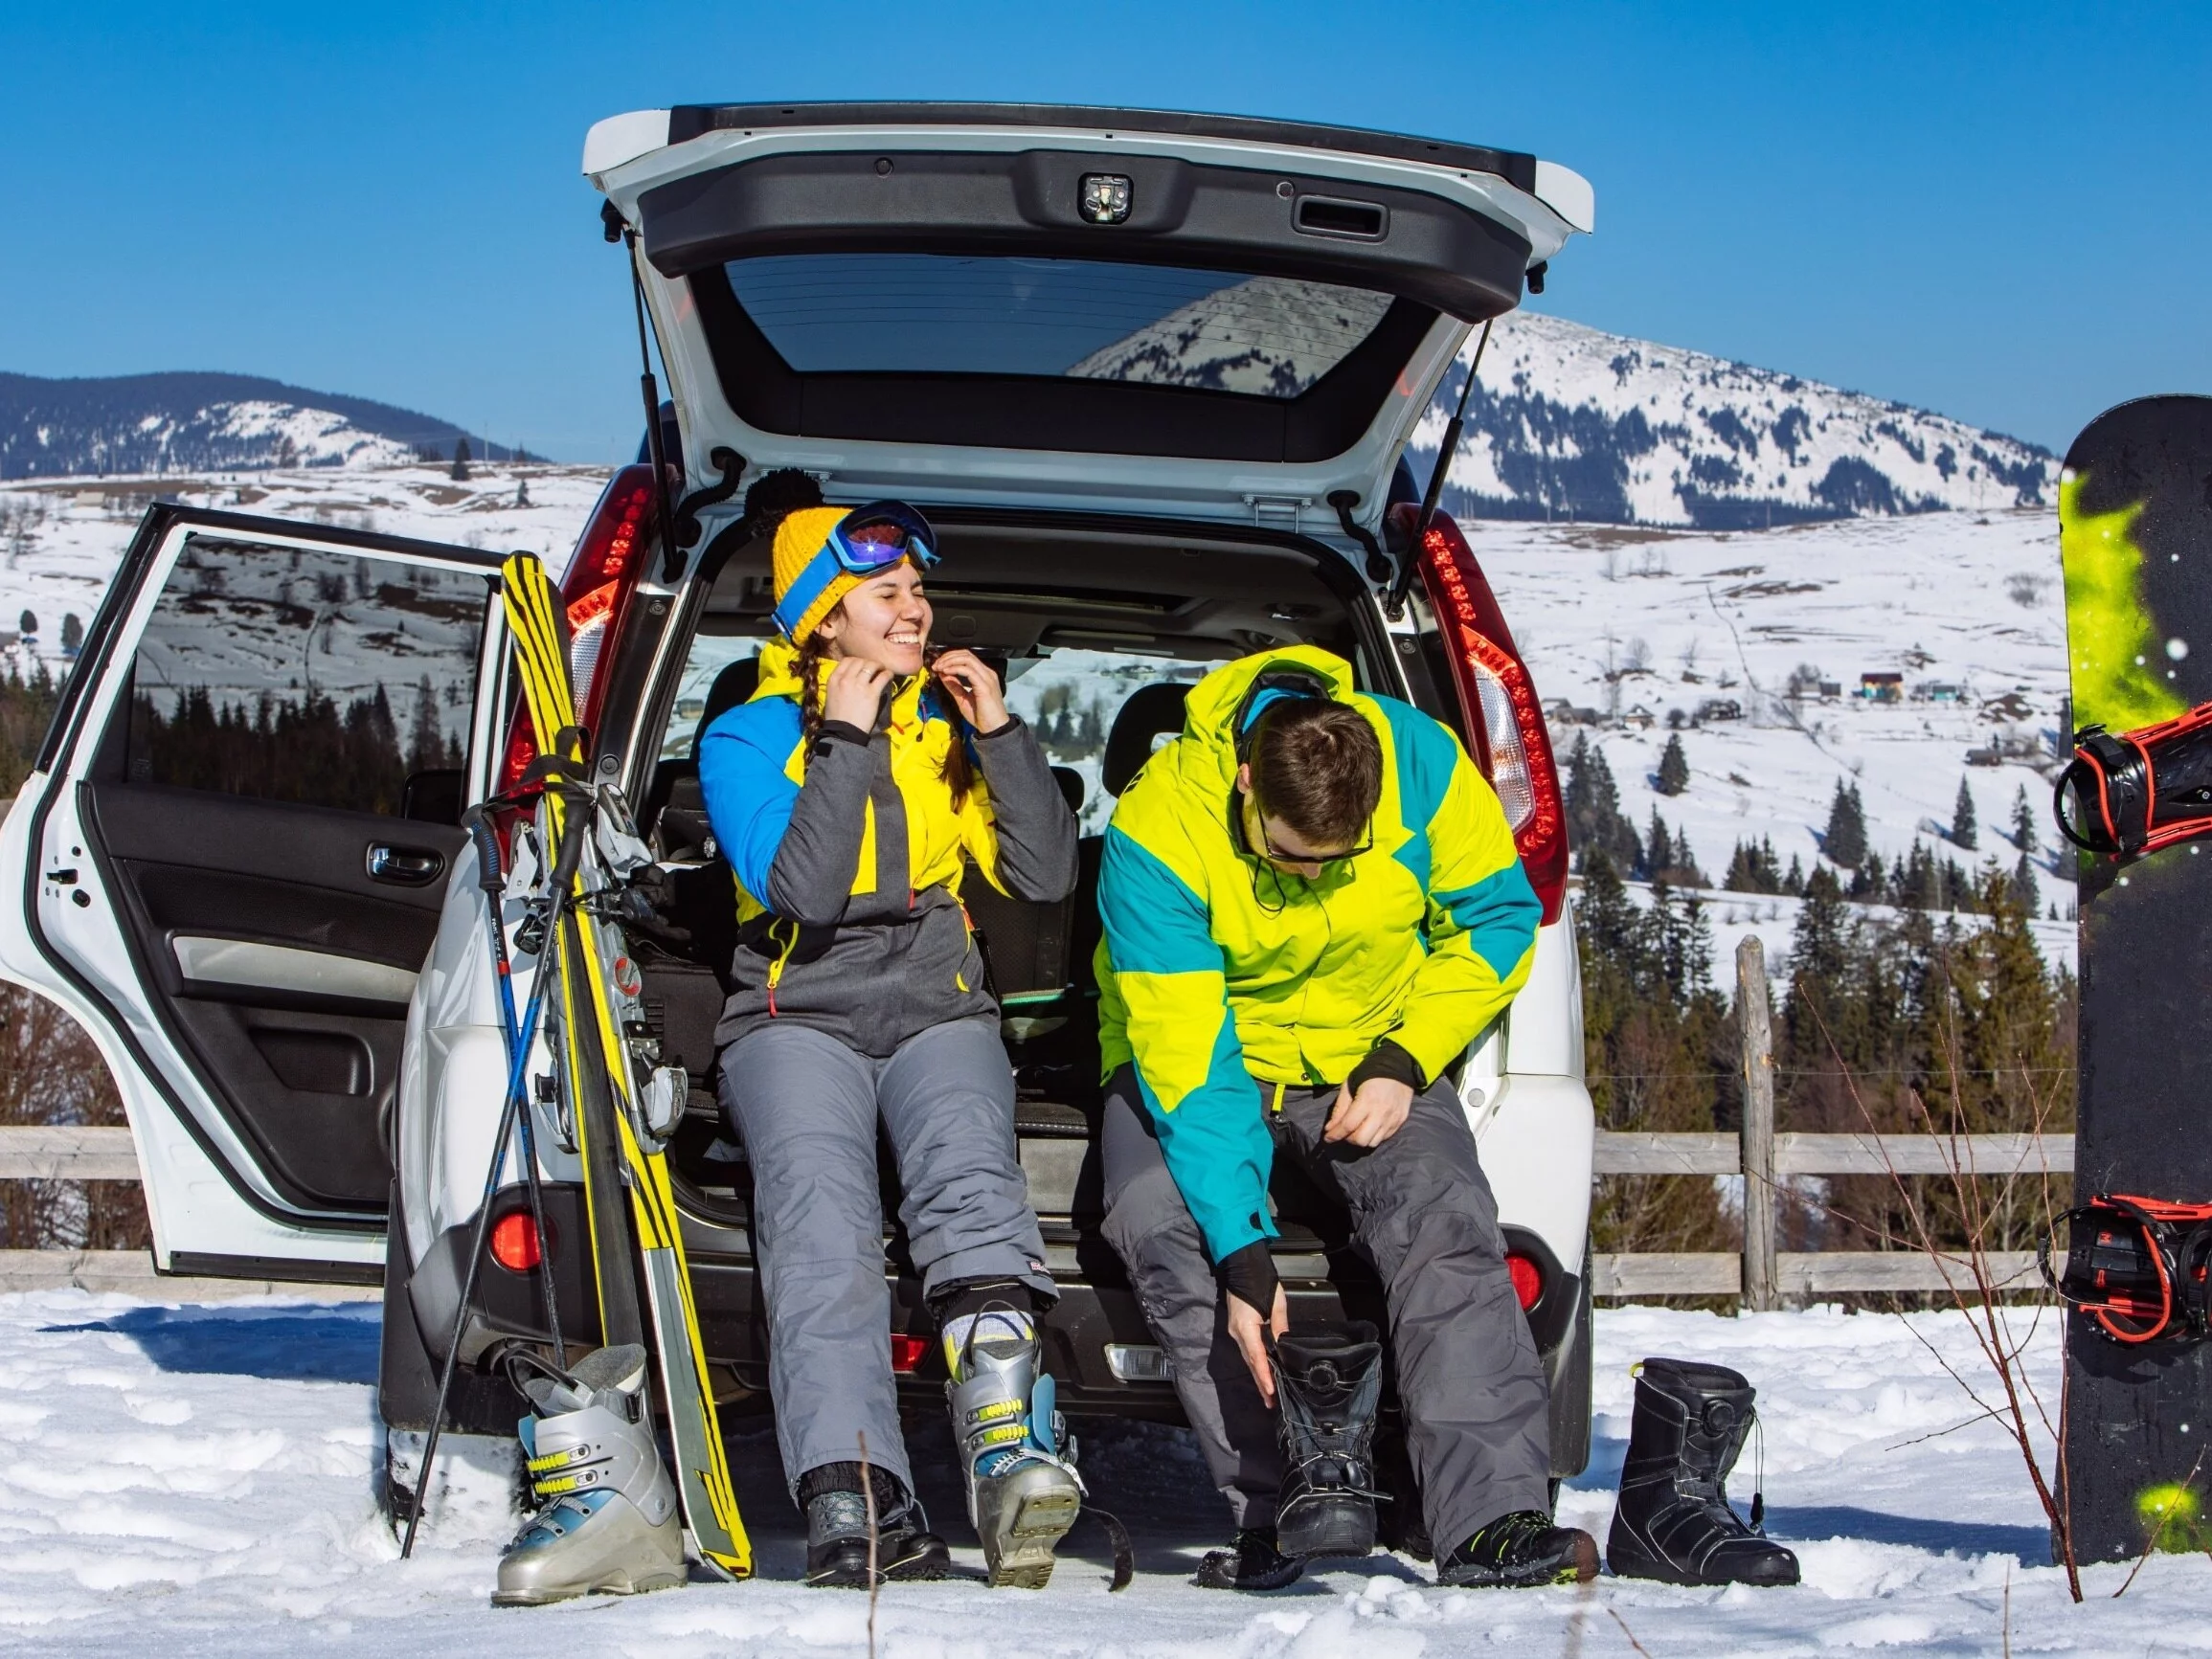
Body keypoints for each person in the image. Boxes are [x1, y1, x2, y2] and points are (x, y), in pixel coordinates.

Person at [1095, 645, 1597, 1590]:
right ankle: (1276, 1510)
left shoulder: (1424, 766)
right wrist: (1244, 1246)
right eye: (1291, 856)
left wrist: (1407, 1057)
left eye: (1342, 861)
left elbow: (1494, 917)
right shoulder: (1158, 829)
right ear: (1248, 782)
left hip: (1367, 1058)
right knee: (1167, 1219)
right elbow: (1192, 1060)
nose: (1316, 878)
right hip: (1209, 1060)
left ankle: (1490, 1520)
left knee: (1445, 1213)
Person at [696, 472, 1082, 1589]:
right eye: (886, 591)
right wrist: (845, 736)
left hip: (934, 990)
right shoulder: (748, 734)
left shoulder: (947, 728)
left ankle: (1010, 1451)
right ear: (822, 615)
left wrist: (1000, 734)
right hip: (794, 1001)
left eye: (919, 588)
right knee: (821, 1223)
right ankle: (852, 1494)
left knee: (971, 1185)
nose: (915, 608)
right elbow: (801, 888)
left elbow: (1045, 870)